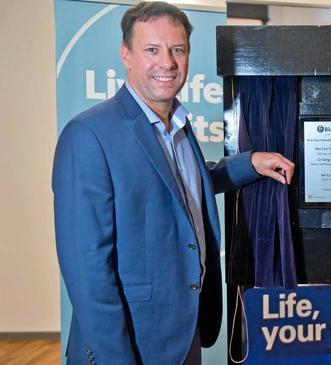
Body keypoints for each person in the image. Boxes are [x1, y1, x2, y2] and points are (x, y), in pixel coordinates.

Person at [52, 2, 294, 364]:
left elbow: (181, 189)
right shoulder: (88, 135)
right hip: (131, 344)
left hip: (184, 332)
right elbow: (87, 272)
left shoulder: (177, 125)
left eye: (176, 49)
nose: (166, 62)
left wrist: (250, 163)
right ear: (126, 55)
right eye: (151, 49)